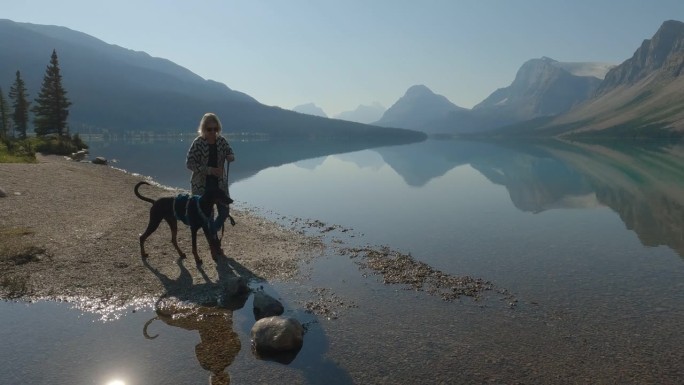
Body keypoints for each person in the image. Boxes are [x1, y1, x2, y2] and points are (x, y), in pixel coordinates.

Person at [186, 112, 235, 256]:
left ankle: (212, 233)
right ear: (203, 129)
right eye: (209, 129)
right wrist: (209, 170)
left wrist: (231, 156)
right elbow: (189, 164)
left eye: (215, 129)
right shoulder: (198, 143)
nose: (213, 132)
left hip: (220, 185)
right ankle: (215, 247)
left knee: (224, 212)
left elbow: (230, 152)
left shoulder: (222, 141)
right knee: (208, 216)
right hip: (202, 186)